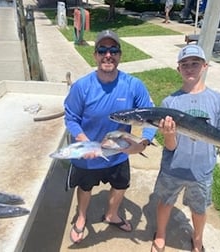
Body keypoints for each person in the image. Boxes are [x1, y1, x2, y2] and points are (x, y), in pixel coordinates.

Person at [64, 29, 156, 244]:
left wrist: (143, 142)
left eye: (113, 50)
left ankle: (111, 214)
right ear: (95, 55)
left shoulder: (134, 85)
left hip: (119, 154)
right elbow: (71, 118)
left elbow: (150, 116)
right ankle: (82, 216)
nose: (108, 54)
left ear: (119, 55)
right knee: (85, 188)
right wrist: (82, 141)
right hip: (89, 154)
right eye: (102, 50)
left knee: (121, 186)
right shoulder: (82, 86)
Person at [151, 44, 220, 252]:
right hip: (173, 167)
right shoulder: (169, 102)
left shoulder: (219, 101)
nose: (190, 68)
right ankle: (160, 235)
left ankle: (198, 240)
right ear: (178, 69)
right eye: (185, 65)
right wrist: (168, 135)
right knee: (165, 202)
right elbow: (170, 146)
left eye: (195, 64)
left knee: (199, 209)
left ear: (205, 66)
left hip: (202, 170)